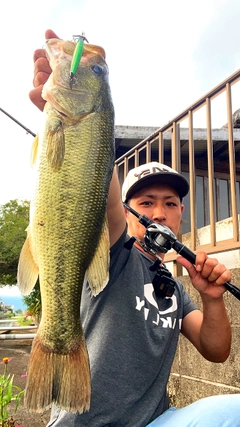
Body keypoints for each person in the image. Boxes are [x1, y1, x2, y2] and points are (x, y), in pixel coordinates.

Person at [30, 29, 240, 427]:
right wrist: (70, 116)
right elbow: (95, 188)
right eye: (146, 203)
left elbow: (215, 350)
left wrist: (212, 299)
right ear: (127, 212)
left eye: (171, 204)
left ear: (182, 214)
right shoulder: (115, 252)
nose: (160, 213)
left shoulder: (174, 288)